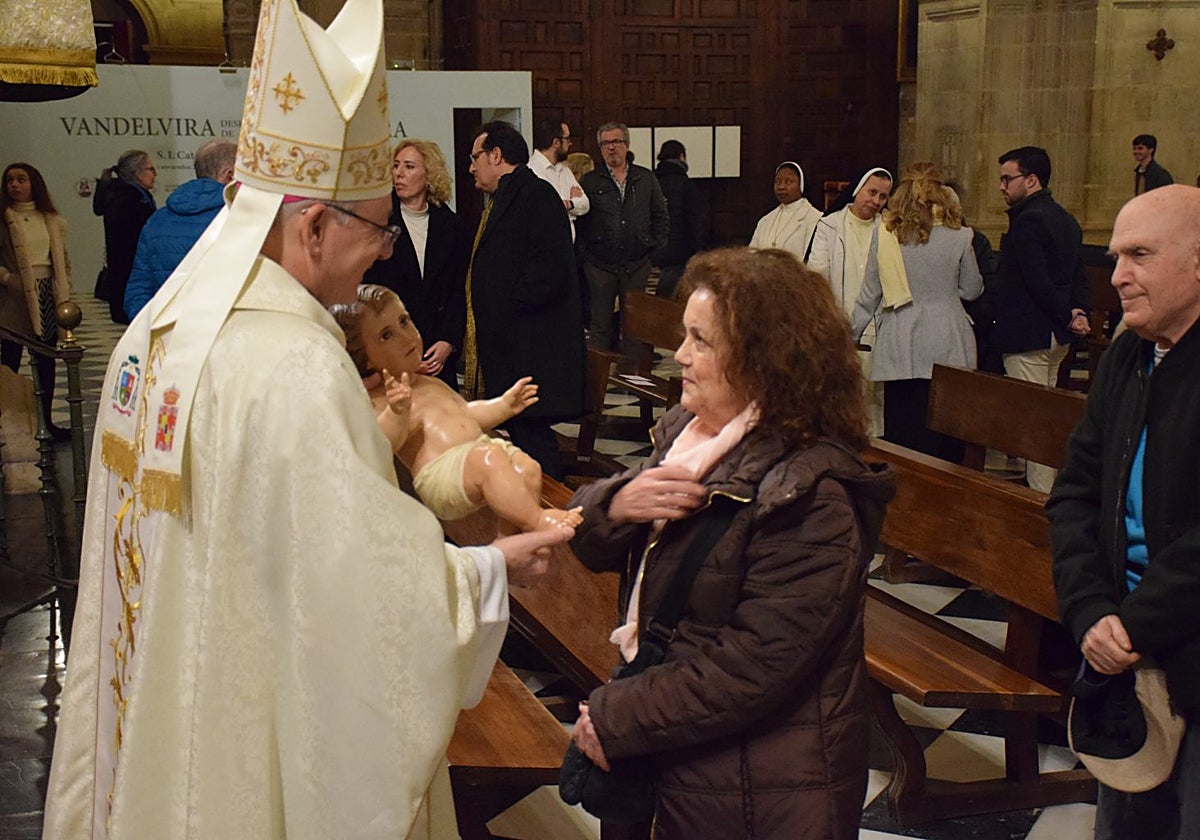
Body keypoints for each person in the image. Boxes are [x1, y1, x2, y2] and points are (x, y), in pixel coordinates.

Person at [43, 1, 568, 837]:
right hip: (244, 747)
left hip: (167, 712)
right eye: (374, 232)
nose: (383, 252)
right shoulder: (293, 362)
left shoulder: (164, 327)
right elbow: (362, 595)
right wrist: (491, 571)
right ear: (314, 223)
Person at [567, 247, 894, 839]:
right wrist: (615, 504)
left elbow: (750, 668)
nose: (681, 356)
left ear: (765, 361)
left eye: (701, 341)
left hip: (758, 787)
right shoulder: (691, 442)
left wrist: (617, 716)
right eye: (683, 336)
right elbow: (586, 543)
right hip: (683, 750)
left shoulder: (811, 498)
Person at [1047, 185, 1200, 839]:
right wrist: (1089, 612)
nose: (1117, 277)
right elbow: (1074, 492)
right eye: (1114, 257)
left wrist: (1130, 626)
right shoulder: (1130, 359)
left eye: (1138, 255)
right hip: (1121, 656)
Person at [331, 284, 582, 531]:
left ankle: (511, 534)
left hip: (478, 454)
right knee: (490, 459)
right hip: (442, 473)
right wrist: (397, 412)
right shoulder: (382, 400)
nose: (406, 336)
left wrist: (503, 405)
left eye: (404, 321)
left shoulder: (430, 382)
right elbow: (383, 446)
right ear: (364, 358)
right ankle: (538, 521)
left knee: (528, 468)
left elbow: (467, 414)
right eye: (386, 335)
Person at [462, 119, 585, 481]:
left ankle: (549, 511)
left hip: (531, 346)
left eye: (475, 157)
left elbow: (551, 271)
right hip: (512, 344)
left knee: (533, 438)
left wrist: (504, 307)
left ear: (496, 155)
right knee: (521, 435)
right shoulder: (510, 195)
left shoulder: (536, 195)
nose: (471, 166)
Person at [850, 162, 983, 461]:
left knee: (905, 433)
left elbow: (870, 294)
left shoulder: (887, 234)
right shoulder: (960, 235)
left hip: (901, 338)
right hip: (948, 339)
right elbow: (972, 289)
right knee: (946, 434)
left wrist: (850, 335)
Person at [994, 145, 1090, 492]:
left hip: (1030, 332)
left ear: (1031, 180)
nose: (1002, 186)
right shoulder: (1065, 217)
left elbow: (1036, 282)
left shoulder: (1028, 221)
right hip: (1055, 336)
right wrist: (1078, 314)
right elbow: (1078, 275)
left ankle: (1040, 504)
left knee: (1033, 428)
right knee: (1045, 421)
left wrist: (1068, 315)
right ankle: (1048, 497)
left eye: (1008, 179)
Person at [362, 138, 469, 389]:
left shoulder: (452, 226)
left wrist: (448, 341)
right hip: (387, 346)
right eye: (396, 165)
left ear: (429, 174)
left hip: (436, 351)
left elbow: (458, 290)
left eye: (409, 167)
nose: (399, 173)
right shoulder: (378, 221)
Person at [808, 166, 893, 435]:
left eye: (882, 196)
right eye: (871, 192)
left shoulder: (889, 229)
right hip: (837, 320)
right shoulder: (829, 225)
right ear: (857, 190)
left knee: (873, 397)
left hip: (877, 324)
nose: (875, 201)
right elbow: (817, 274)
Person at [577, 121, 669, 353]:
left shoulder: (645, 178)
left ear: (626, 145)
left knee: (634, 325)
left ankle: (632, 380)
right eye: (605, 143)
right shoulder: (590, 180)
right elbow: (581, 221)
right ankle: (597, 384)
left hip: (637, 263)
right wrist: (586, 257)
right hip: (599, 265)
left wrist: (653, 248)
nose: (611, 148)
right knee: (600, 325)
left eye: (616, 142)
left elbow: (660, 215)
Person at [124, 140, 237, 320]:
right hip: (223, 334)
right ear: (229, 175)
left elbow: (138, 289)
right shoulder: (241, 220)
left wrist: (154, 331)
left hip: (167, 335)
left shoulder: (156, 220)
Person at [0, 162, 73, 441]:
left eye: (21, 179)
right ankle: (10, 424)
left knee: (46, 360)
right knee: (10, 360)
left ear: (34, 184)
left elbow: (61, 259)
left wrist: (63, 288)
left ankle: (46, 422)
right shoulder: (4, 220)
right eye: (10, 180)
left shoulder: (51, 219)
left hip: (46, 293)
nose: (15, 185)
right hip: (14, 297)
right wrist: (8, 279)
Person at [93, 148, 156, 324]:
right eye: (151, 169)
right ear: (137, 173)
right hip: (131, 277)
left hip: (127, 276)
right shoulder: (129, 200)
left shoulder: (129, 196)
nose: (155, 174)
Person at [652, 139, 704, 300]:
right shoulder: (686, 184)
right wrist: (698, 248)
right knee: (674, 293)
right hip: (679, 248)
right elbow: (693, 219)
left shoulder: (652, 181)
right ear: (682, 157)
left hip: (654, 246)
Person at [748, 161, 822, 265]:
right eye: (777, 182)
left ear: (801, 185)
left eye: (788, 182)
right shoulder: (766, 220)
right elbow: (752, 255)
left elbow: (813, 263)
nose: (781, 187)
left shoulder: (815, 219)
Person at [530, 117, 590, 241]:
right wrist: (568, 204)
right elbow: (547, 211)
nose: (571, 143)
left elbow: (585, 204)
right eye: (567, 138)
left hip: (567, 249)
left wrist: (569, 204)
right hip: (544, 248)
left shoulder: (565, 170)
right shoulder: (532, 171)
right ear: (556, 143)